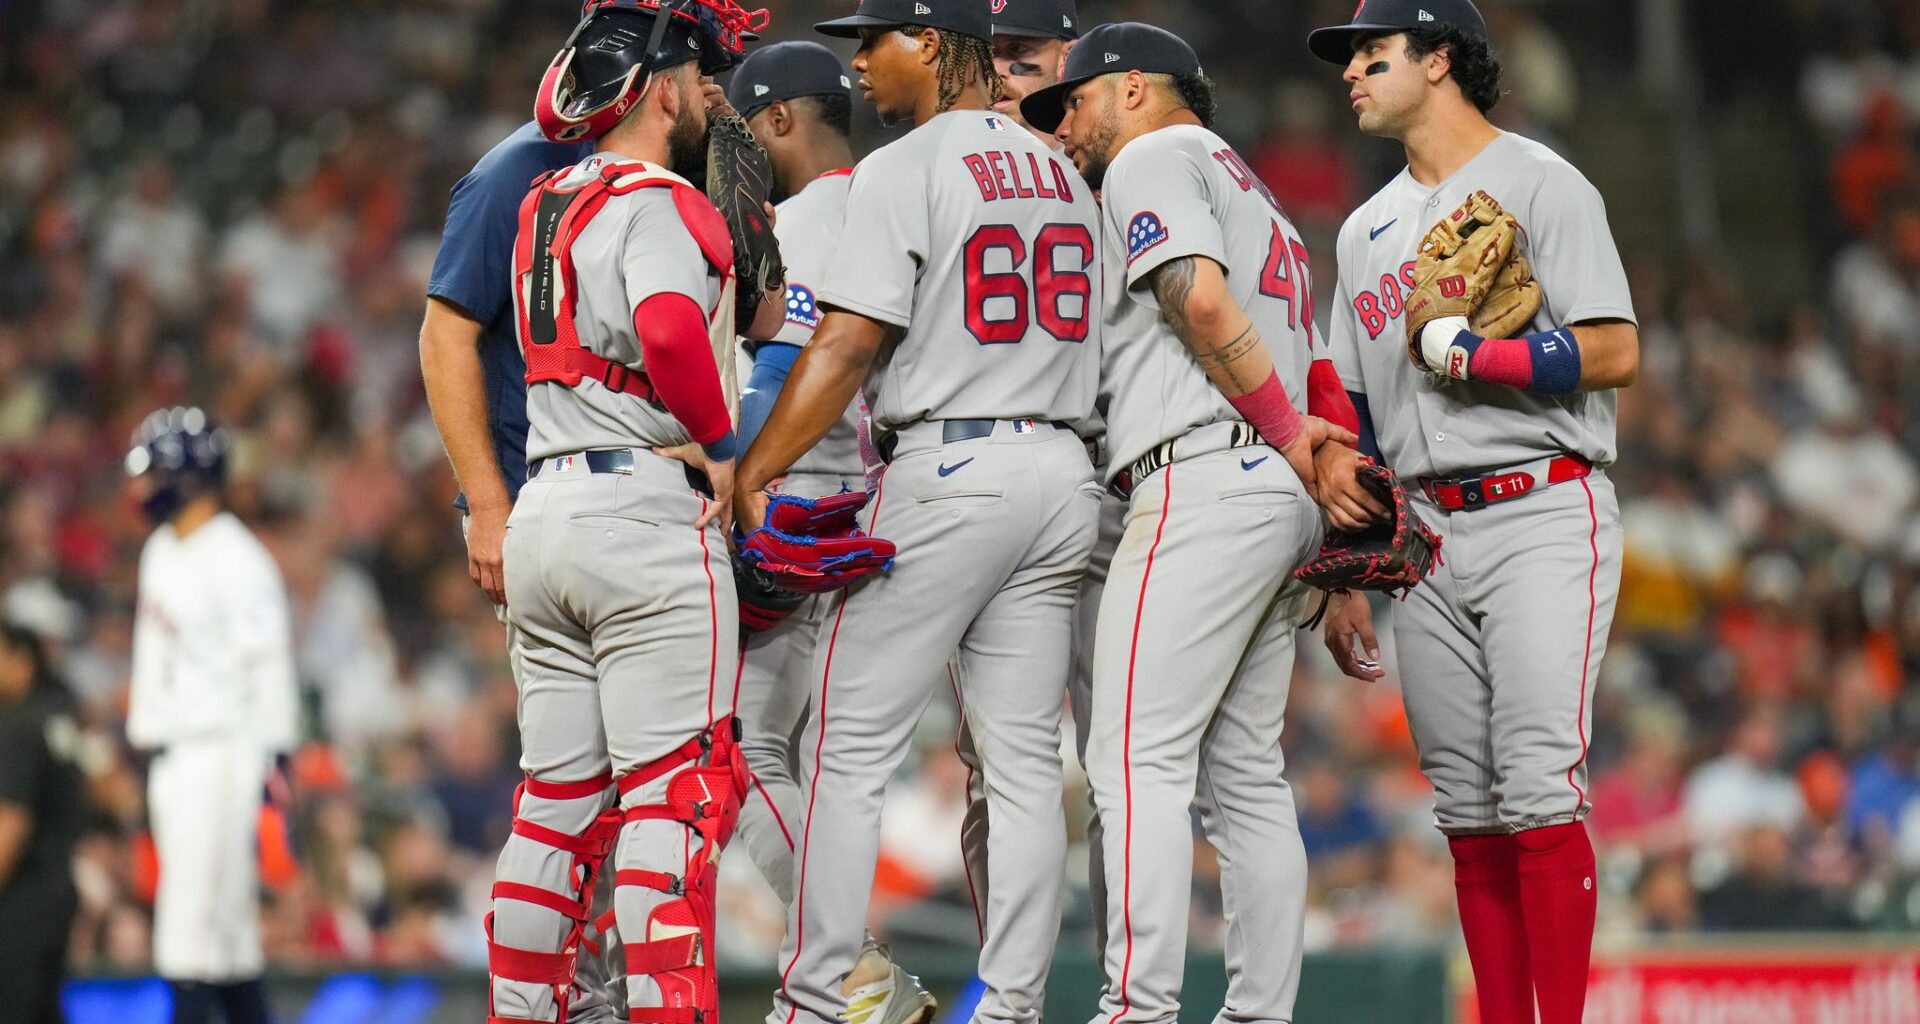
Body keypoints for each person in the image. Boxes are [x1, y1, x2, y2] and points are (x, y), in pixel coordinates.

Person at [733, 2, 1102, 1022]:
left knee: (845, 748)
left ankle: (819, 997)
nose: (860, 64)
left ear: (933, 44)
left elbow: (845, 346)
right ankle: (1014, 1004)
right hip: (1061, 464)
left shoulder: (904, 168)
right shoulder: (1064, 171)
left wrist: (755, 467)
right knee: (1024, 759)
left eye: (877, 41)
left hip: (952, 462)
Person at [1307, 2, 1639, 1022]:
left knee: (1539, 787)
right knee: (1469, 809)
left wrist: (1479, 355)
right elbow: (1351, 416)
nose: (1351, 74)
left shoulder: (1544, 183)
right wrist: (1346, 567)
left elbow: (1616, 349)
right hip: (1424, 535)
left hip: (1542, 504)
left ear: (1439, 59)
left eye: (1373, 54)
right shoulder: (1363, 231)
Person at [1023, 23, 1357, 1024]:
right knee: (1245, 773)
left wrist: (1288, 433)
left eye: (1072, 102)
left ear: (1132, 90)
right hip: (1275, 501)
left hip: (1211, 472)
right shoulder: (1254, 193)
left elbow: (1199, 301)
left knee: (1134, 760)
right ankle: (1259, 1013)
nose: (1064, 125)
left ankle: (1139, 1008)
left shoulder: (1154, 154)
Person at [481, 1, 765, 1022]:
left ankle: (521, 1011)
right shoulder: (654, 200)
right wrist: (726, 447)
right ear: (650, 89)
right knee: (672, 799)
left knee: (555, 807)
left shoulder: (540, 203)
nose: (702, 92)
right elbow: (672, 334)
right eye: (690, 76)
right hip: (641, 509)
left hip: (545, 507)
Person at [724, 41, 937, 1024]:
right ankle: (844, 981)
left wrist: (738, 480)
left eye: (741, 130)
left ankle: (850, 972)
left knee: (742, 747)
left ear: (778, 121)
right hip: (884, 508)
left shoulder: (791, 225)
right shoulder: (902, 200)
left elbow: (779, 371)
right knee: (816, 770)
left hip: (793, 504)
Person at [124, 407, 300, 1024]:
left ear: (188, 476)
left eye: (153, 475)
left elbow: (270, 672)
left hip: (220, 753)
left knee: (187, 940)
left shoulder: (239, 559)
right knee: (224, 943)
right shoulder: (161, 550)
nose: (142, 488)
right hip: (171, 757)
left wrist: (274, 773)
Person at [0, 623, 85, 1024]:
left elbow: (10, 824)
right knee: (44, 1009)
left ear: (22, 659)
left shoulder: (17, 727)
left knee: (14, 1008)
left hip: (21, 897)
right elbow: (103, 784)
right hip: (59, 888)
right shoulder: (59, 715)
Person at [990, 0, 1079, 139]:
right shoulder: (947, 153)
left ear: (1066, 58)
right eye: (983, 51)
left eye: (1017, 49)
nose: (995, 70)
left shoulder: (1101, 157)